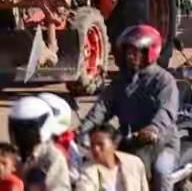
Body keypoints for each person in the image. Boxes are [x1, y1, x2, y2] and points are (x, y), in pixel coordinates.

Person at [79, 26, 177, 191]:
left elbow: (166, 111)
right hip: (128, 141)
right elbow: (101, 108)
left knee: (161, 171)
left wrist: (154, 129)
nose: (130, 56)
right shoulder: (120, 82)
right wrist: (82, 130)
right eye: (128, 51)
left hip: (161, 144)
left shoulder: (164, 81)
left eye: (135, 51)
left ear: (149, 52)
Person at [10, 96, 71, 191]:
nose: (21, 134)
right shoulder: (14, 154)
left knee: (36, 176)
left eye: (26, 129)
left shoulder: (53, 157)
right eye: (17, 128)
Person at [75, 124, 149, 191]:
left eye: (100, 144)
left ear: (114, 145)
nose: (95, 149)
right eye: (92, 145)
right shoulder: (88, 171)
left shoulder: (134, 163)